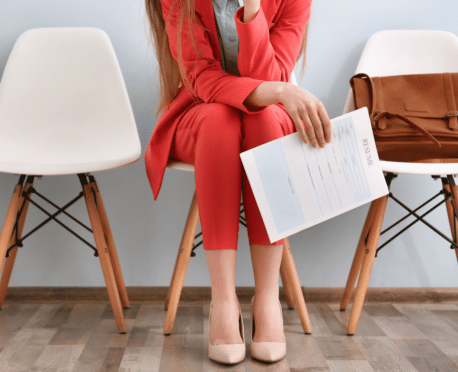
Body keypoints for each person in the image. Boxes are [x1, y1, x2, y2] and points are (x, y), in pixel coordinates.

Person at [144, 0, 332, 365]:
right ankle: (223, 299)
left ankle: (266, 297)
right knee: (220, 120)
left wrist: (251, 9)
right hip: (199, 113)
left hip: (268, 120)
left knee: (264, 122)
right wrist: (279, 92)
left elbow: (272, 74)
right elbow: (203, 80)